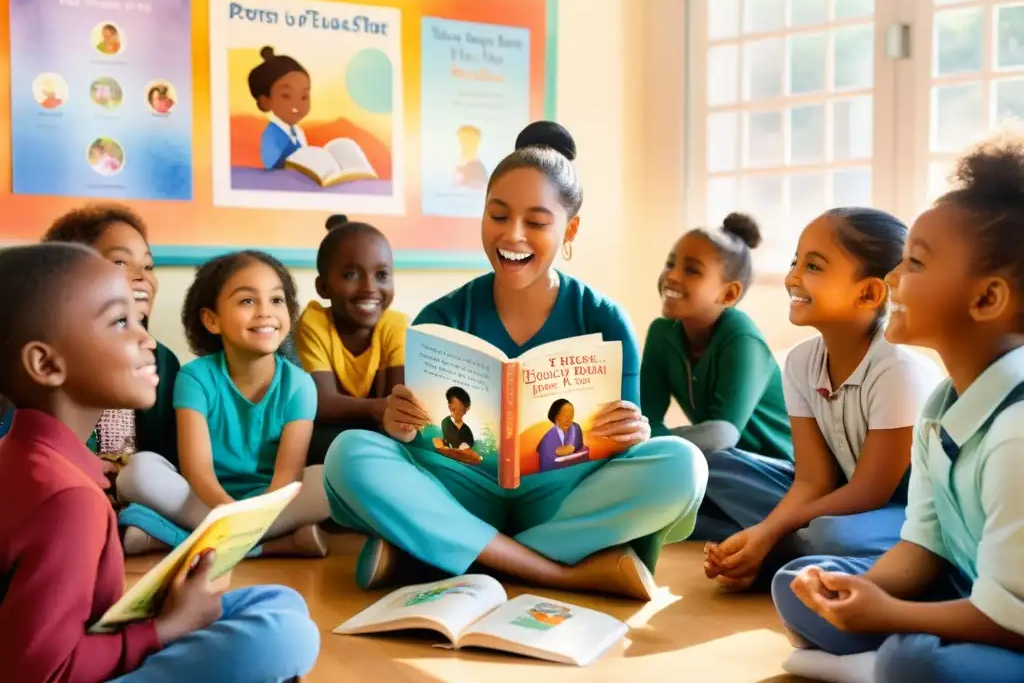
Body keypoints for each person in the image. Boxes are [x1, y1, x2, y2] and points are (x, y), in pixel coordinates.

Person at [322, 121, 708, 600]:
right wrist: (400, 425)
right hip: (460, 488)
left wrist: (636, 431)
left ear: (570, 228)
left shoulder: (605, 319)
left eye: (537, 222)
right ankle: (554, 571)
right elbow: (421, 445)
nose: (513, 236)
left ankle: (437, 552)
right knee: (349, 455)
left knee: (683, 464)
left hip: (565, 494)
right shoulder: (441, 316)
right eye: (498, 215)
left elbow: (622, 449)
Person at [0, 243, 319, 682]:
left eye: (138, 320)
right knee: (285, 636)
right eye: (120, 322)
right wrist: (166, 627)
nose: (147, 338)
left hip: (82, 643)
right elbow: (42, 673)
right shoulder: (69, 501)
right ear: (46, 363)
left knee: (282, 603)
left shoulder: (30, 458)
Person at [773, 134, 1024, 683]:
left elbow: (1013, 621)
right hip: (963, 587)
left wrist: (888, 613)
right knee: (799, 580)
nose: (891, 280)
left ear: (986, 299)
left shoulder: (1017, 435)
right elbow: (921, 545)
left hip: (1011, 623)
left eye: (914, 263)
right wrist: (865, 591)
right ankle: (882, 660)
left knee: (912, 662)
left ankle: (877, 667)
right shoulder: (940, 404)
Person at [703, 208, 942, 592]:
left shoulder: (897, 369)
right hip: (835, 498)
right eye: (795, 261)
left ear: (868, 292)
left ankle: (768, 549)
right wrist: (772, 528)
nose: (792, 276)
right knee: (716, 466)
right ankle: (773, 547)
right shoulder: (800, 362)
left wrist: (767, 531)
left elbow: (870, 492)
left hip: (904, 513)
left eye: (813, 266)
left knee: (832, 534)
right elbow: (813, 480)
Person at [116, 251, 331, 557]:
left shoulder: (299, 384)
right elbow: (197, 472)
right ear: (212, 320)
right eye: (247, 301)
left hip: (272, 502)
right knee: (137, 471)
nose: (265, 312)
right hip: (204, 497)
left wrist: (250, 517)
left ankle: (172, 538)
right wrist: (231, 514)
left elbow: (287, 480)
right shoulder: (195, 377)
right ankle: (269, 546)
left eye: (276, 300)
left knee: (329, 479)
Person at [642, 213, 793, 543]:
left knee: (706, 461)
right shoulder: (661, 333)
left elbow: (721, 435)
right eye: (671, 263)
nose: (672, 276)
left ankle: (779, 530)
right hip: (721, 469)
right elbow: (646, 419)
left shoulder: (741, 337)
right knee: (659, 480)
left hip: (776, 476)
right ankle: (754, 534)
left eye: (692, 270)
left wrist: (652, 449)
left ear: (728, 294)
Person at [42, 206, 181, 528]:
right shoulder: (50, 355)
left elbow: (167, 458)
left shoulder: (160, 360)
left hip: (133, 493)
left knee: (145, 471)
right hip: (62, 486)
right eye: (120, 262)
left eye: (148, 265)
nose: (142, 276)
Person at [294, 214, 407, 465]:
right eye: (351, 275)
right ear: (323, 287)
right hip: (331, 436)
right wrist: (378, 408)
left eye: (381, 275)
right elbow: (321, 404)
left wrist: (386, 409)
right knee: (313, 441)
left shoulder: (395, 325)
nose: (369, 287)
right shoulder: (314, 322)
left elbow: (399, 404)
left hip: (379, 435)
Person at [248, 46, 310, 169]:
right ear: (266, 101)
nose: (297, 105)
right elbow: (272, 166)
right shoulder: (272, 134)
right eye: (286, 96)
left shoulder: (298, 132)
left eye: (304, 96)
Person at [537, 399, 587, 472]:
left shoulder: (575, 428)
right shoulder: (548, 437)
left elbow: (570, 449)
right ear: (557, 417)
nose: (569, 420)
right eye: (566, 416)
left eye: (571, 416)